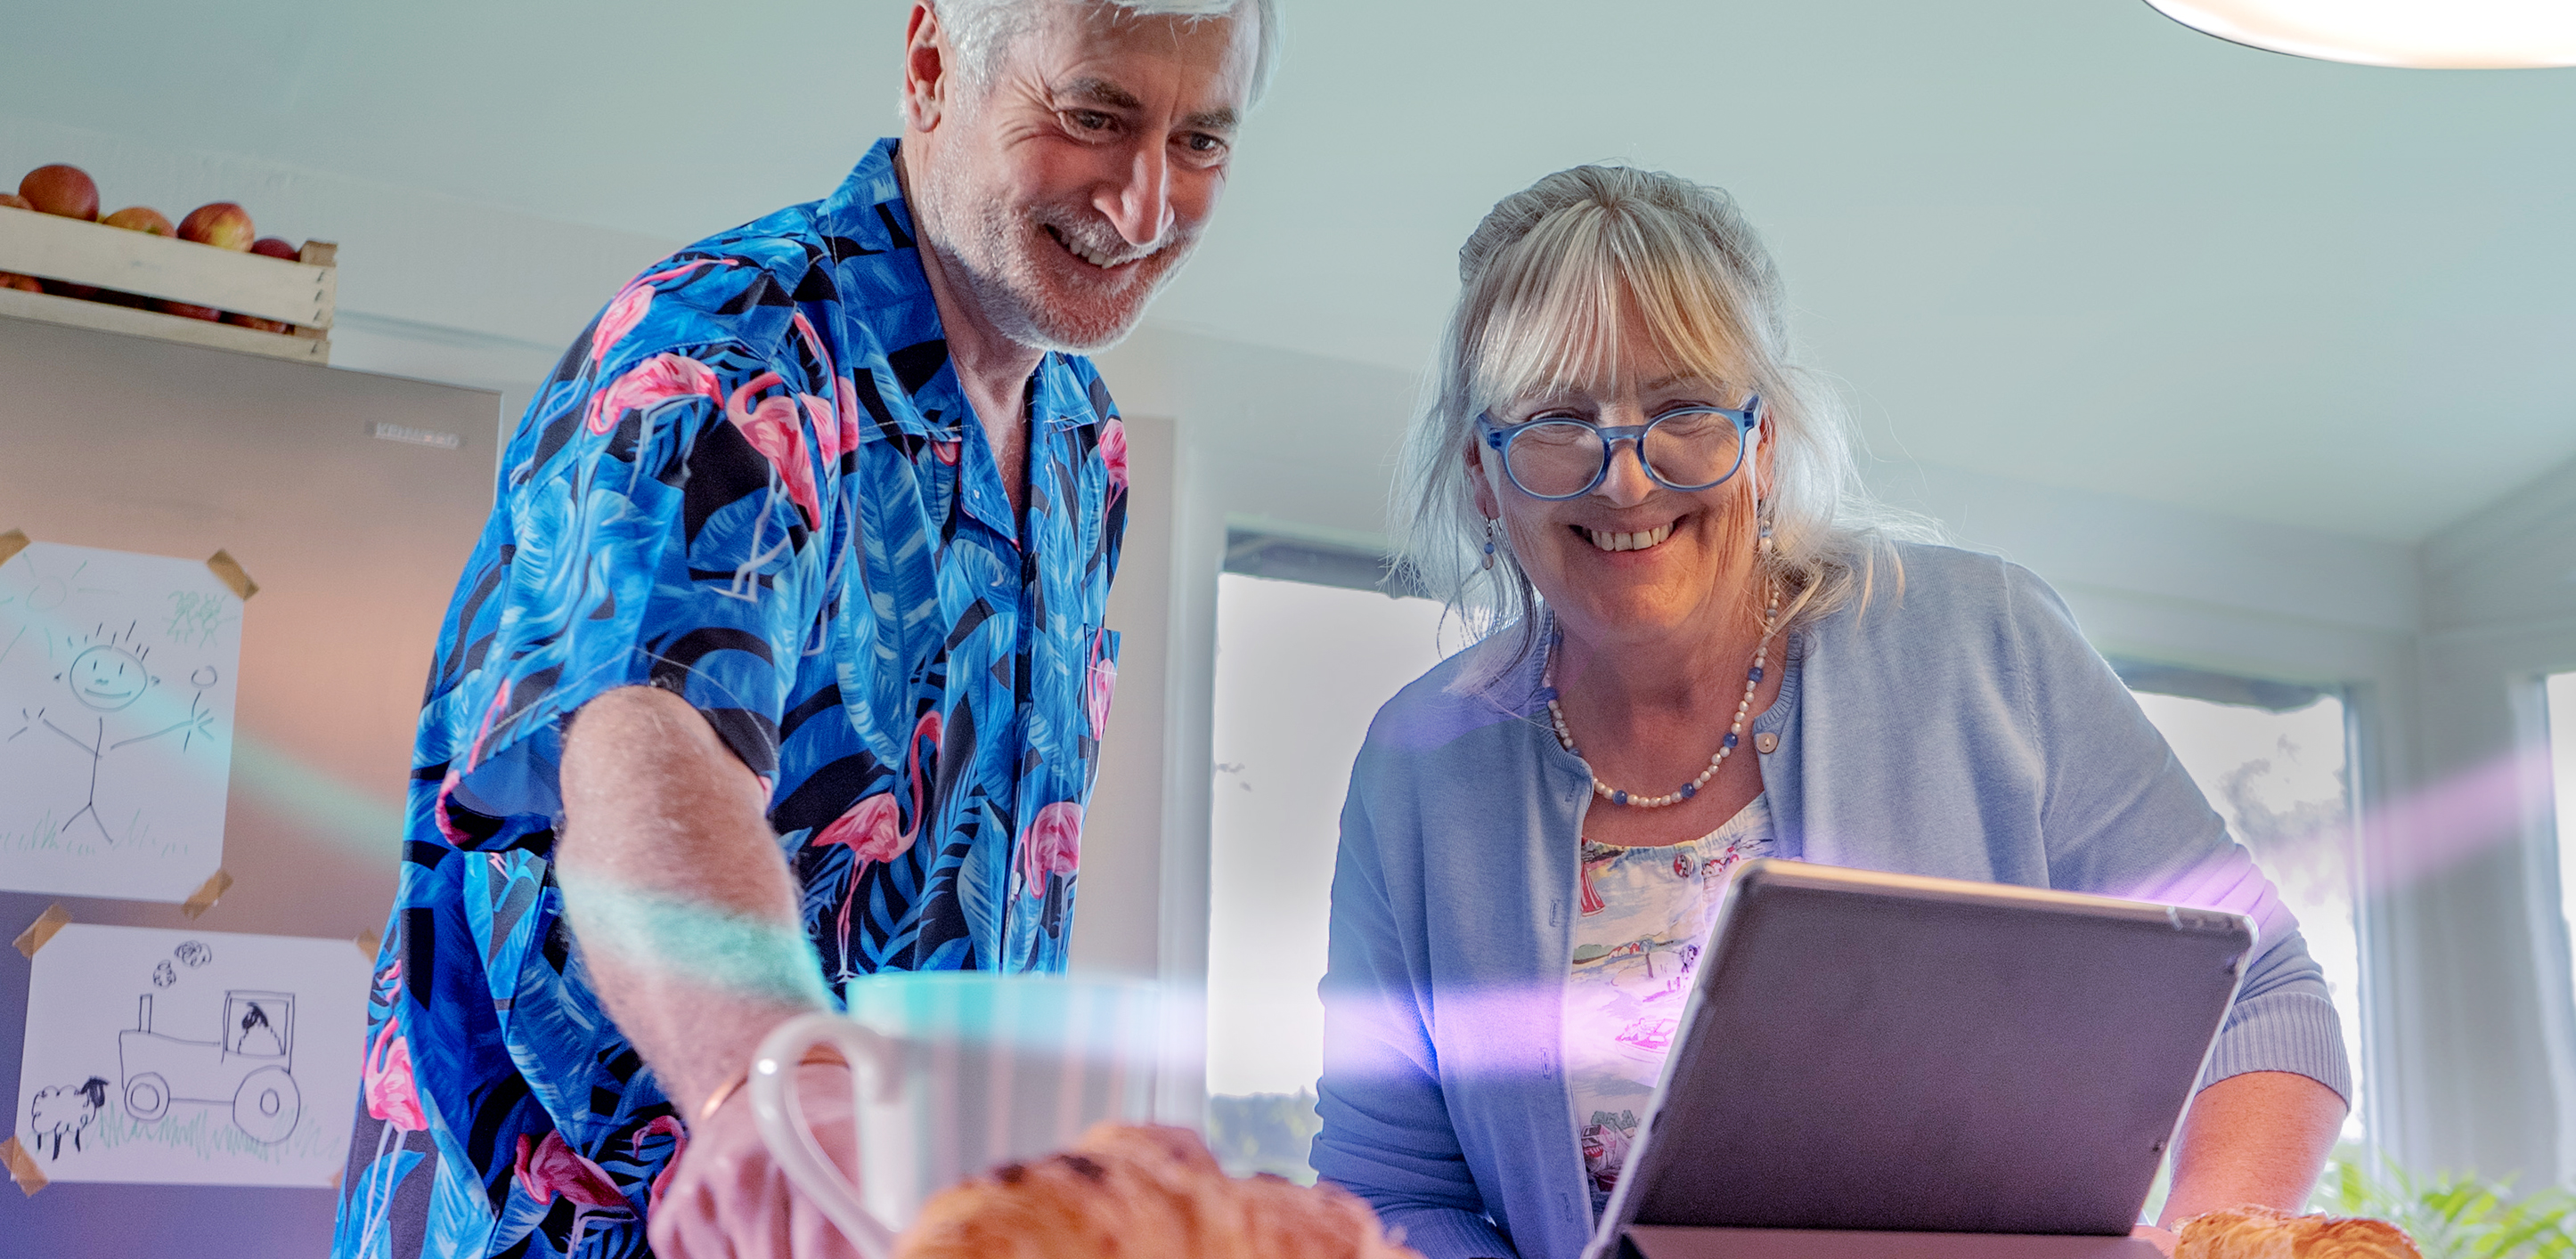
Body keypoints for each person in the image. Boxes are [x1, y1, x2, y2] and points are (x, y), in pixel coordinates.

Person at [329, 2, 1273, 1255]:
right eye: (1095, 116)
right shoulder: (727, 350)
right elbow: (641, 742)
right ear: (933, 66)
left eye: (1200, 142)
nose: (1146, 205)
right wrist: (768, 1077)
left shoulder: (1084, 450)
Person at [1310, 166, 2350, 1259]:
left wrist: (2199, 1244)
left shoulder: (1983, 642)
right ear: (1482, 470)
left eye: (1683, 411)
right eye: (1560, 420)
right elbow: (1391, 1189)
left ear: (1761, 442)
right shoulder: (1418, 764)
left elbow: (2262, 996)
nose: (1626, 481)